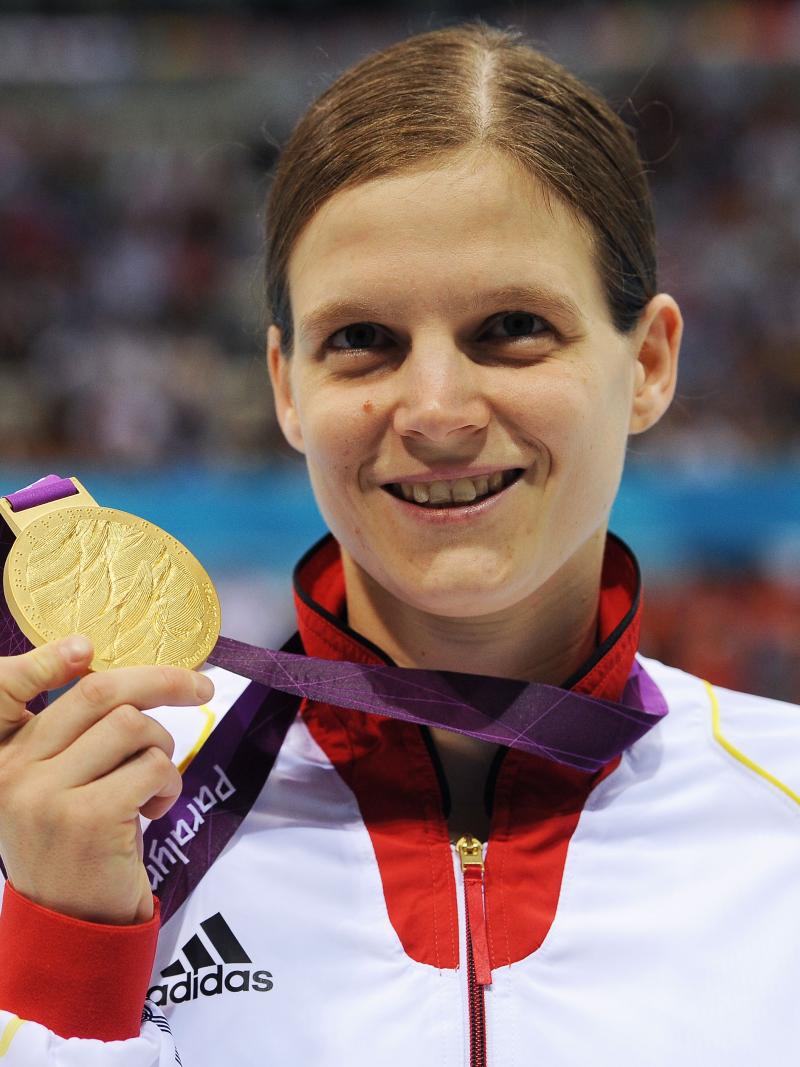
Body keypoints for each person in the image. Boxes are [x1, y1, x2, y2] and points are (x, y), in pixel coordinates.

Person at [0, 21, 798, 1066]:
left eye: (511, 326)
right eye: (362, 340)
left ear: (645, 361)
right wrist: (64, 956)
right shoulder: (73, 823)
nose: (434, 411)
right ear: (287, 386)